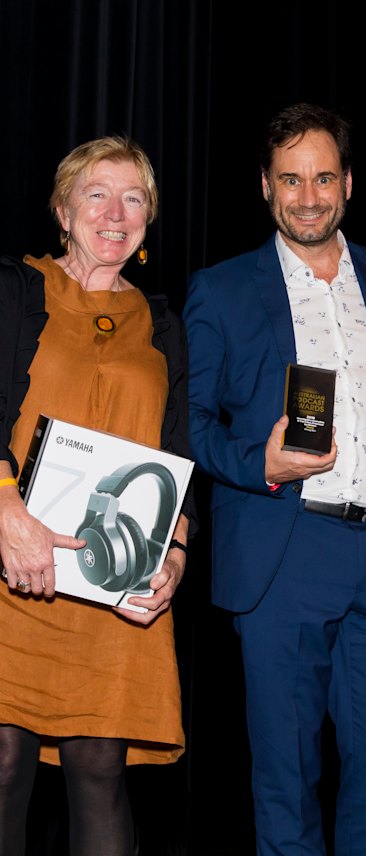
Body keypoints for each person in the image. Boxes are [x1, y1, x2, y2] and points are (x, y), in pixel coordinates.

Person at [183, 102, 366, 855]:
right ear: (265, 187)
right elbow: (192, 424)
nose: (308, 196)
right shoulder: (223, 289)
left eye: (323, 177)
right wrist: (254, 463)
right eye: (291, 179)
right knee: (285, 776)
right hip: (284, 548)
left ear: (349, 183)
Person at [0, 135, 196, 856]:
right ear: (62, 210)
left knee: (98, 771)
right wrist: (2, 506)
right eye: (96, 194)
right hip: (8, 570)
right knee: (3, 763)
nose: (115, 212)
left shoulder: (165, 324)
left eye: (134, 197)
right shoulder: (15, 289)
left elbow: (176, 450)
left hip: (111, 581)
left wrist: (173, 549)